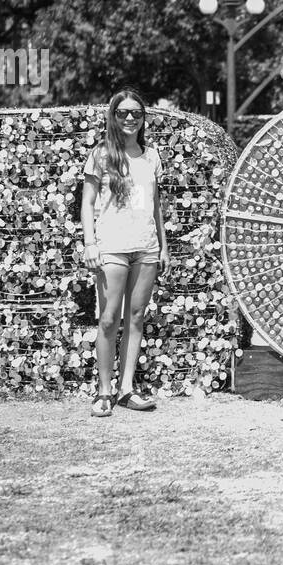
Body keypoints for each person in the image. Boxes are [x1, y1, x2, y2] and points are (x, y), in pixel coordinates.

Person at [81, 90, 170, 418]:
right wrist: (90, 243)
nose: (130, 118)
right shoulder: (101, 155)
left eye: (136, 113)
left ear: (144, 117)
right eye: (123, 113)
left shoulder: (152, 156)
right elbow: (87, 203)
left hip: (145, 248)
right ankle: (104, 391)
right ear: (113, 117)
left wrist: (163, 245)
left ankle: (126, 389)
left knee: (135, 317)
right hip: (112, 249)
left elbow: (156, 205)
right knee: (107, 319)